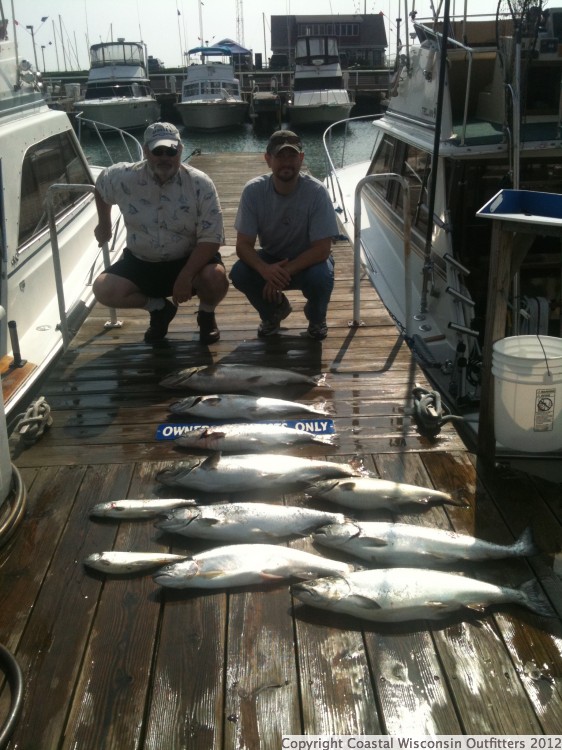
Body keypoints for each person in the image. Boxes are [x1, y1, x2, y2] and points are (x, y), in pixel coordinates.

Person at [92, 122, 228, 345]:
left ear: (180, 150)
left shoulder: (201, 183)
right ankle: (159, 309)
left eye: (171, 151)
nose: (165, 157)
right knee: (103, 289)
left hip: (188, 260)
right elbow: (101, 185)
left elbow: (211, 239)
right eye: (158, 151)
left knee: (216, 277)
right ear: (146, 151)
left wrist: (185, 276)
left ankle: (206, 314)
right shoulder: (122, 176)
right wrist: (104, 224)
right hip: (141, 262)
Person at [229, 129, 339, 341]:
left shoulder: (317, 192)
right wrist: (265, 270)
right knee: (239, 273)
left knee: (321, 277)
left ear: (301, 158)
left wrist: (282, 272)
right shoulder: (253, 191)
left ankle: (316, 318)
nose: (287, 162)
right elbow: (243, 245)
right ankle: (273, 312)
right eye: (280, 156)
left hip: (309, 260)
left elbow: (322, 249)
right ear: (268, 159)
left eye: (292, 156)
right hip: (271, 257)